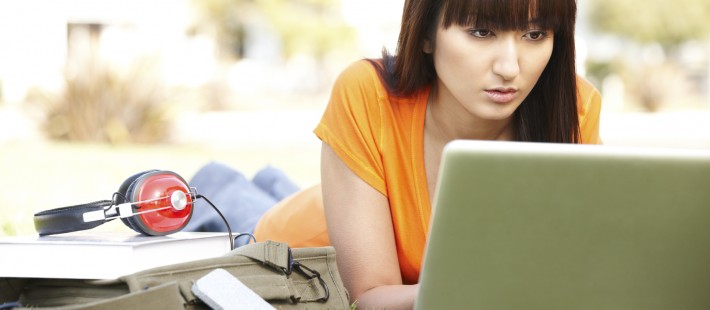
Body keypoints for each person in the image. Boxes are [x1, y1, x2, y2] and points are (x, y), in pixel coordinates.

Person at [190, 0, 602, 308]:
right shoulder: (366, 92)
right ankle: (219, 178)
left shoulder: (572, 108)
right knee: (227, 196)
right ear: (424, 34)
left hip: (351, 203)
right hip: (287, 244)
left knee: (279, 186)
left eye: (534, 35)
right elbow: (368, 299)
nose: (511, 67)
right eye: (481, 32)